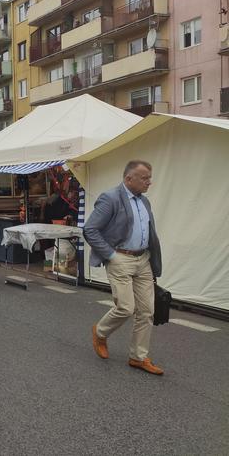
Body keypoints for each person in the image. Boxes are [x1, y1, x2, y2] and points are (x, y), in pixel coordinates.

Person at [84, 160, 163, 375]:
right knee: (126, 308)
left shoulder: (145, 201)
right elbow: (90, 229)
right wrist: (111, 255)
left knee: (147, 312)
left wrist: (152, 258)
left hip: (143, 260)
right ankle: (100, 332)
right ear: (129, 179)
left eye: (149, 177)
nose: (149, 182)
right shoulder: (110, 198)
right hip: (120, 258)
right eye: (145, 178)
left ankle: (138, 357)